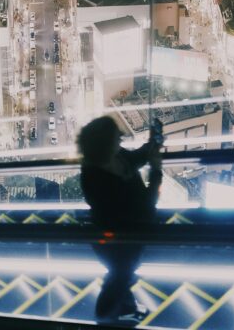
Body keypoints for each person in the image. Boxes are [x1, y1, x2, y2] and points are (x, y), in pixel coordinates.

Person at [77, 115, 162, 324]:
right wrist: (156, 171)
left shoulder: (113, 158)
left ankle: (123, 310)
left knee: (120, 274)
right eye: (117, 138)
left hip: (122, 238)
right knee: (121, 275)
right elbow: (146, 205)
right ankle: (105, 316)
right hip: (119, 240)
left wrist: (151, 146)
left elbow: (134, 159)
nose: (121, 140)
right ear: (105, 144)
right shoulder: (97, 180)